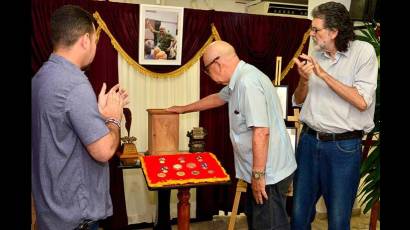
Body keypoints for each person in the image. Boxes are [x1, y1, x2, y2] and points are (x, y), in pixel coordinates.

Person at [166, 40, 296, 230]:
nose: (208, 75)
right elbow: (218, 97)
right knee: (258, 222)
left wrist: (258, 175)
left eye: (206, 70)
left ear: (217, 64)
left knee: (269, 226)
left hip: (269, 174)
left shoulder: (247, 83)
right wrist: (183, 109)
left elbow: (261, 131)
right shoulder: (240, 78)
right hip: (262, 171)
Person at [31, 5, 129, 230]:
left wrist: (97, 115)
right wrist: (113, 119)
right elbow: (104, 151)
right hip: (74, 217)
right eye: (96, 40)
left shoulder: (40, 78)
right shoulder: (74, 83)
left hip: (50, 211)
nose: (95, 46)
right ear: (86, 39)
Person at [290, 2, 378, 230]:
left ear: (334, 31)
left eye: (316, 29)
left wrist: (323, 74)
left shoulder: (363, 52)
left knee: (338, 221)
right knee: (299, 217)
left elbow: (361, 101)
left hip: (343, 148)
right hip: (309, 143)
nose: (312, 34)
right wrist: (304, 79)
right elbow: (298, 101)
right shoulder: (315, 52)